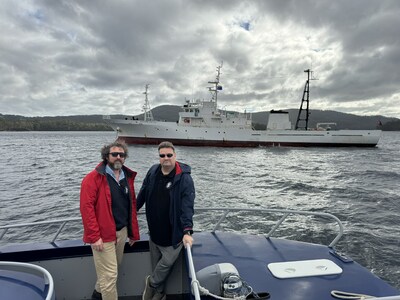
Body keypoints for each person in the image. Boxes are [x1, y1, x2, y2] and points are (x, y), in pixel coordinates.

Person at [80, 141, 140, 300]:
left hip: (121, 233)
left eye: (122, 155)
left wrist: (133, 232)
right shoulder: (93, 178)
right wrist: (94, 237)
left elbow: (131, 205)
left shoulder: (127, 177)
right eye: (114, 154)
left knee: (109, 274)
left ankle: (96, 297)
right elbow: (86, 209)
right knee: (110, 276)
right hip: (103, 236)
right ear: (107, 157)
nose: (118, 157)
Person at [137, 141, 195, 300]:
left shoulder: (184, 179)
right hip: (154, 232)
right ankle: (160, 293)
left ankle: (152, 284)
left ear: (175, 156)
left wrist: (187, 231)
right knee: (157, 266)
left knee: (167, 263)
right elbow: (142, 194)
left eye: (169, 155)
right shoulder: (153, 171)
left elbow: (187, 207)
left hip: (173, 235)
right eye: (162, 156)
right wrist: (132, 211)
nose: (166, 158)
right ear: (159, 157)